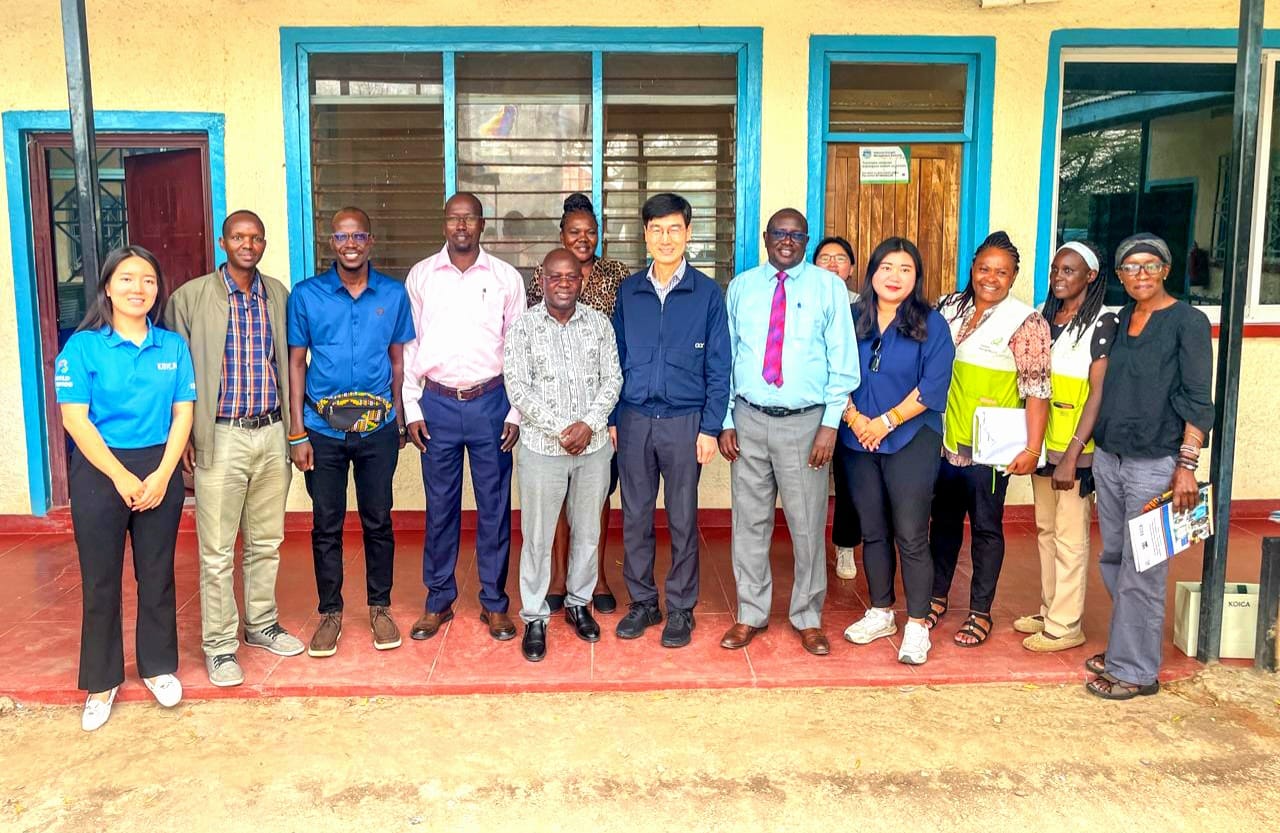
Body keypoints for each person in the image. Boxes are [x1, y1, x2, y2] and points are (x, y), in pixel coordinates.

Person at [55, 246, 195, 731]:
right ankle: (102, 680)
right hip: (100, 470)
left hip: (159, 466)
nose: (139, 288)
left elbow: (183, 414)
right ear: (108, 288)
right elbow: (76, 420)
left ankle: (157, 666)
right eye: (128, 279)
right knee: (100, 579)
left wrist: (164, 474)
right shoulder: (83, 348)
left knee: (157, 573)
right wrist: (120, 476)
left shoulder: (172, 347)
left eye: (149, 280)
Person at [165, 210, 304, 688]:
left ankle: (261, 624)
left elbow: (289, 362)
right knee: (217, 551)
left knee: (266, 541)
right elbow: (177, 376)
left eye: (256, 237)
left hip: (271, 432)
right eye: (239, 236)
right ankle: (220, 645)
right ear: (223, 242)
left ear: (264, 243)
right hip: (220, 435)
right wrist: (184, 434)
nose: (248, 244)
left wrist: (293, 433)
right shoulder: (190, 298)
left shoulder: (277, 295)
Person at [718, 208, 858, 656]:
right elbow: (726, 358)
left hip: (806, 424)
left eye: (796, 235)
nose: (787, 240)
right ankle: (750, 612)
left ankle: (808, 616)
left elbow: (843, 361)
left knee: (806, 524)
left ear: (806, 240)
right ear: (765, 237)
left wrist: (830, 425)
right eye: (779, 233)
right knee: (749, 523)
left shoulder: (828, 288)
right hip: (748, 419)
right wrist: (726, 419)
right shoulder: (741, 288)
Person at [1085, 233, 1212, 700]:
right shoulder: (1120, 319)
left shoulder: (1188, 322)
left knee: (1144, 569)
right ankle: (1128, 647)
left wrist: (1186, 466)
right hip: (1111, 458)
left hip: (1156, 463)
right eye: (1131, 267)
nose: (1141, 274)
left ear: (1166, 269)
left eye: (1150, 265)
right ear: (1120, 276)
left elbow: (1198, 399)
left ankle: (1136, 671)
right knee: (1114, 559)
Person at [287, 207, 416, 658]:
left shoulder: (393, 295)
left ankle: (380, 607)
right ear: (332, 243)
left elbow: (398, 361)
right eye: (342, 237)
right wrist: (297, 432)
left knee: (378, 520)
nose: (351, 244)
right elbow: (296, 363)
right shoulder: (307, 296)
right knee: (327, 523)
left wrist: (400, 418)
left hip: (378, 427)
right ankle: (330, 613)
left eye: (359, 235)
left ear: (370, 241)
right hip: (322, 429)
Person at [403, 193, 525, 643]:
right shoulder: (421, 276)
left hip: (491, 402)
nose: (461, 226)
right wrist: (412, 406)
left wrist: (515, 409)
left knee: (494, 506)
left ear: (481, 224)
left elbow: (518, 347)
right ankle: (438, 600)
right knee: (440, 508)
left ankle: (494, 602)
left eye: (469, 218)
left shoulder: (505, 278)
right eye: (454, 218)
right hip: (435, 404)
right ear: (444, 223)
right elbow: (410, 346)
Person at [611, 192, 731, 648]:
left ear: (688, 234)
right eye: (657, 229)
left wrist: (710, 427)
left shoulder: (707, 293)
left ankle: (681, 607)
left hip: (685, 421)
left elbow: (719, 365)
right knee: (636, 515)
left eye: (674, 229)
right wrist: (613, 417)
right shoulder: (630, 292)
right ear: (645, 235)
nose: (666, 238)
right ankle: (643, 601)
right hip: (635, 418)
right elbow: (615, 358)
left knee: (682, 517)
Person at [930, 231, 1051, 647]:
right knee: (943, 524)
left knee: (985, 528)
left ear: (1014, 276)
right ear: (972, 269)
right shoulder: (948, 307)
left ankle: (980, 611)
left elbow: (1037, 391)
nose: (991, 278)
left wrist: (1032, 448)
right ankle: (936, 596)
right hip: (945, 440)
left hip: (991, 449)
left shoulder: (1026, 322)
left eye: (1002, 272)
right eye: (984, 269)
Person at [839, 238, 954, 665]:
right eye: (886, 267)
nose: (894, 276)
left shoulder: (932, 324)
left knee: (910, 533)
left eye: (905, 269)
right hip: (856, 438)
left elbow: (933, 386)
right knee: (873, 529)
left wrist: (885, 422)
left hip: (912, 437)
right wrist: (855, 420)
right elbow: (831, 371)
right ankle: (881, 611)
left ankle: (918, 624)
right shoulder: (851, 318)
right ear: (872, 272)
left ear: (916, 277)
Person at [505, 248, 622, 661]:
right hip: (542, 450)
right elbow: (517, 387)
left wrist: (588, 424)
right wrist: (561, 429)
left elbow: (613, 379)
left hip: (593, 449)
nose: (563, 283)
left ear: (581, 281)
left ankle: (578, 602)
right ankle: (535, 616)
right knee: (537, 537)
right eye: (555, 276)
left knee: (588, 532)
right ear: (542, 279)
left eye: (571, 276)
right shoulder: (523, 327)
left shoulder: (600, 324)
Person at [527, 193, 630, 614]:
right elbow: (532, 344)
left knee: (596, 497)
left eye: (590, 231)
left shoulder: (617, 274)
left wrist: (607, 417)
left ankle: (596, 577)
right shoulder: (543, 276)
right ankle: (557, 577)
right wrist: (552, 421)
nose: (583, 238)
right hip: (551, 415)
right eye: (575, 231)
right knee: (556, 499)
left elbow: (623, 349)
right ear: (561, 235)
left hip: (601, 413)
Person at [1015, 241, 1117, 653]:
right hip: (1043, 445)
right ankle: (1050, 609)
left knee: (1071, 537)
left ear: (1090, 276)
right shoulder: (1044, 318)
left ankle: (1066, 624)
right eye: (1056, 269)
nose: (1059, 277)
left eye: (1069, 270)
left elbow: (1098, 394)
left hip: (1075, 452)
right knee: (1046, 530)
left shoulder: (1102, 323)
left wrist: (1073, 455)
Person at [813, 235, 862, 580]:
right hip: (809, 406)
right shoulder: (803, 298)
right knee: (809, 481)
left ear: (852, 268)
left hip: (851, 409)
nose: (832, 264)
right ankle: (810, 549)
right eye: (825, 258)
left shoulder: (864, 306)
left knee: (849, 480)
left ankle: (845, 545)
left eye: (840, 258)